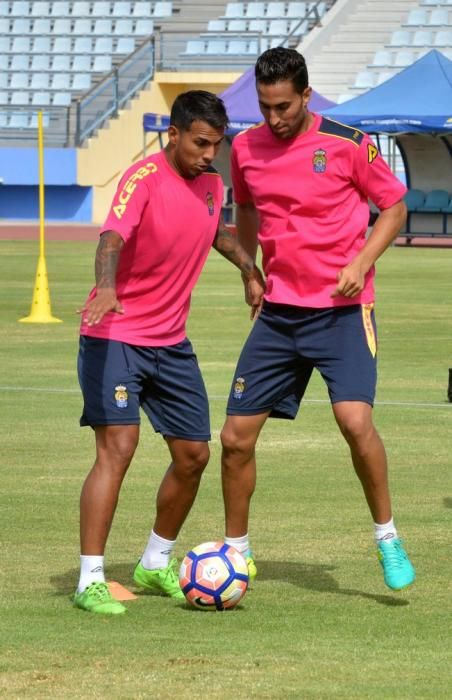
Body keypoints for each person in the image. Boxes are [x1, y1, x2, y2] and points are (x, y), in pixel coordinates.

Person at [220, 48, 415, 591]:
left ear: (306, 95)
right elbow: (250, 208)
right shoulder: (244, 146)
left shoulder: (349, 145)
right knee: (235, 438)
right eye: (264, 107)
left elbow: (395, 208)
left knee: (355, 424)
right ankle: (237, 553)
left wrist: (361, 261)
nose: (273, 118)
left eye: (283, 106)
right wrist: (250, 271)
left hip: (342, 313)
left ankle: (388, 537)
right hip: (280, 314)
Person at [74, 90, 265, 615]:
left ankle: (154, 564)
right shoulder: (143, 178)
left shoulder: (211, 184)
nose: (209, 153)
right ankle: (90, 578)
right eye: (200, 143)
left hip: (171, 343)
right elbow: (111, 237)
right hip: (115, 336)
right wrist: (107, 287)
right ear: (174, 135)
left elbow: (216, 233)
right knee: (119, 447)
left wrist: (250, 270)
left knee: (194, 455)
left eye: (216, 145)